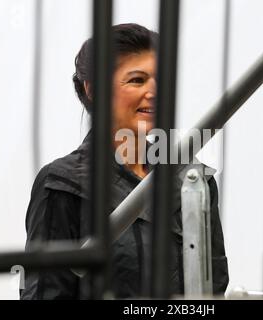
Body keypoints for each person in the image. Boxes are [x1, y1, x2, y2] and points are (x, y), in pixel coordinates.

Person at [20, 23, 228, 300]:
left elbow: (214, 287)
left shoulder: (193, 179)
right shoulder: (62, 184)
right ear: (93, 89)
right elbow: (45, 293)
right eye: (137, 80)